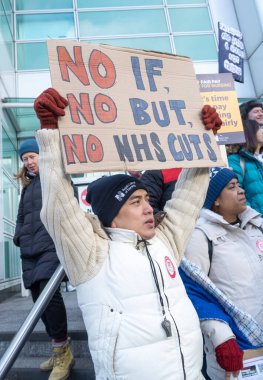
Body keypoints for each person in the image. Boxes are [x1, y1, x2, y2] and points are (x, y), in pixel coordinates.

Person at [33, 87, 221, 380]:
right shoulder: (90, 254)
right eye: (135, 202)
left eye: (147, 199)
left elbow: (190, 195)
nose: (148, 208)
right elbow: (58, 208)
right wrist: (50, 135)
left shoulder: (165, 240)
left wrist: (206, 139)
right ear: (112, 218)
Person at [181, 167, 263, 380]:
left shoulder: (258, 225)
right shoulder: (201, 236)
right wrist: (223, 338)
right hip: (236, 349)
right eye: (232, 187)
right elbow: (196, 293)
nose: (241, 190)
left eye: (239, 184)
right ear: (216, 200)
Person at [13, 138, 74, 380]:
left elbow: (70, 202)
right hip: (29, 249)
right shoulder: (27, 187)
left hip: (49, 245)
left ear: (42, 156)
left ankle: (62, 352)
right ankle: (61, 349)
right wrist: (19, 236)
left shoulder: (55, 176)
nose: (28, 162)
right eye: (25, 159)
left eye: (32, 157)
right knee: (38, 298)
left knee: (48, 294)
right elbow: (20, 216)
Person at [228, 119, 263, 214]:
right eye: (259, 128)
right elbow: (235, 193)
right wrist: (253, 218)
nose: (262, 130)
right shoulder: (235, 160)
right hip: (256, 224)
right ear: (249, 132)